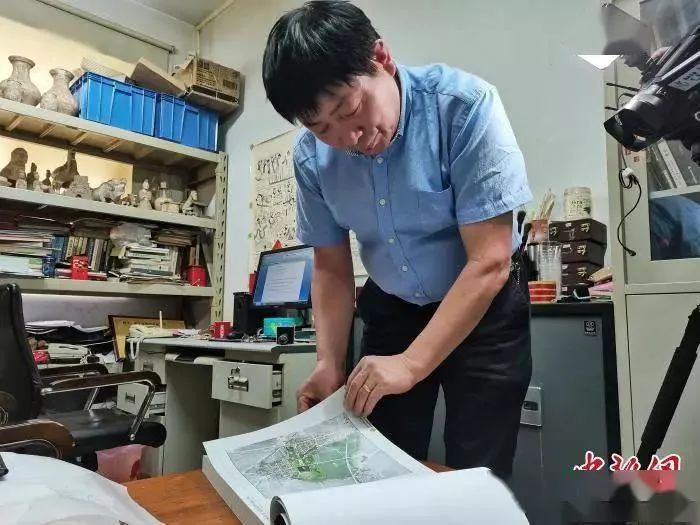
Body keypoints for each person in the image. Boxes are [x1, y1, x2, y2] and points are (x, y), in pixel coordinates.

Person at [262, 0, 533, 480]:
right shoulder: (310, 159)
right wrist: (328, 361)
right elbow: (330, 266)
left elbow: (489, 261)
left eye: (350, 109)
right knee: (380, 462)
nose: (347, 137)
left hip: (483, 309)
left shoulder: (465, 107)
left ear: (381, 58)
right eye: (321, 128)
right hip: (392, 308)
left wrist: (411, 364)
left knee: (477, 470)